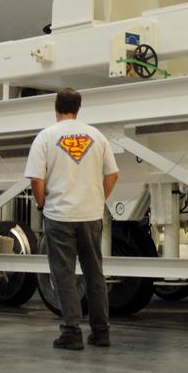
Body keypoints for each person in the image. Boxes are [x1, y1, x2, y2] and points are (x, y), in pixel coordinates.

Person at [24, 88, 119, 350]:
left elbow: (35, 179)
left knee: (64, 274)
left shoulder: (46, 137)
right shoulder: (96, 136)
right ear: (79, 108)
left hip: (59, 215)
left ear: (56, 107)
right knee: (94, 273)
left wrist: (42, 203)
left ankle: (71, 332)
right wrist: (98, 200)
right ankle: (101, 332)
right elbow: (112, 175)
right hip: (91, 215)